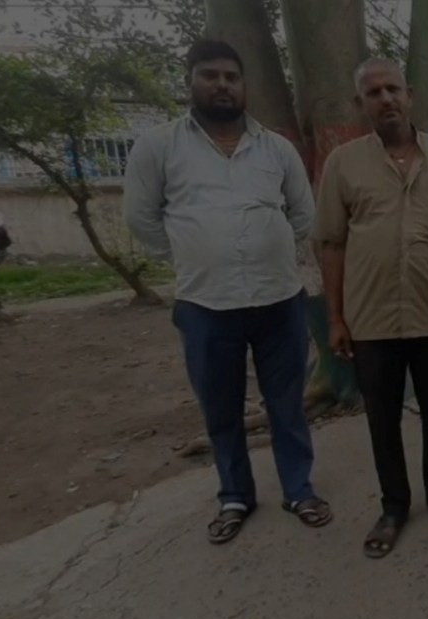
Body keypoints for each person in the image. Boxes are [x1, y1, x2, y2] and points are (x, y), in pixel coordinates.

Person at [123, 40, 332, 545]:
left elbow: (304, 214)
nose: (221, 85)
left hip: (279, 299)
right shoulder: (160, 145)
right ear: (190, 80)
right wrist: (195, 254)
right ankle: (235, 494)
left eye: (230, 77)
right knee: (220, 408)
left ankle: (298, 488)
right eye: (209, 75)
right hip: (205, 306)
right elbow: (142, 219)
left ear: (243, 85)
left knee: (286, 403)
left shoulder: (275, 148)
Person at [313, 58, 428, 559]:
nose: (385, 99)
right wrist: (336, 317)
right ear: (360, 103)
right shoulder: (343, 164)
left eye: (392, 89)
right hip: (372, 319)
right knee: (382, 418)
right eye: (373, 92)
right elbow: (332, 244)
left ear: (409, 94)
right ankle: (393, 507)